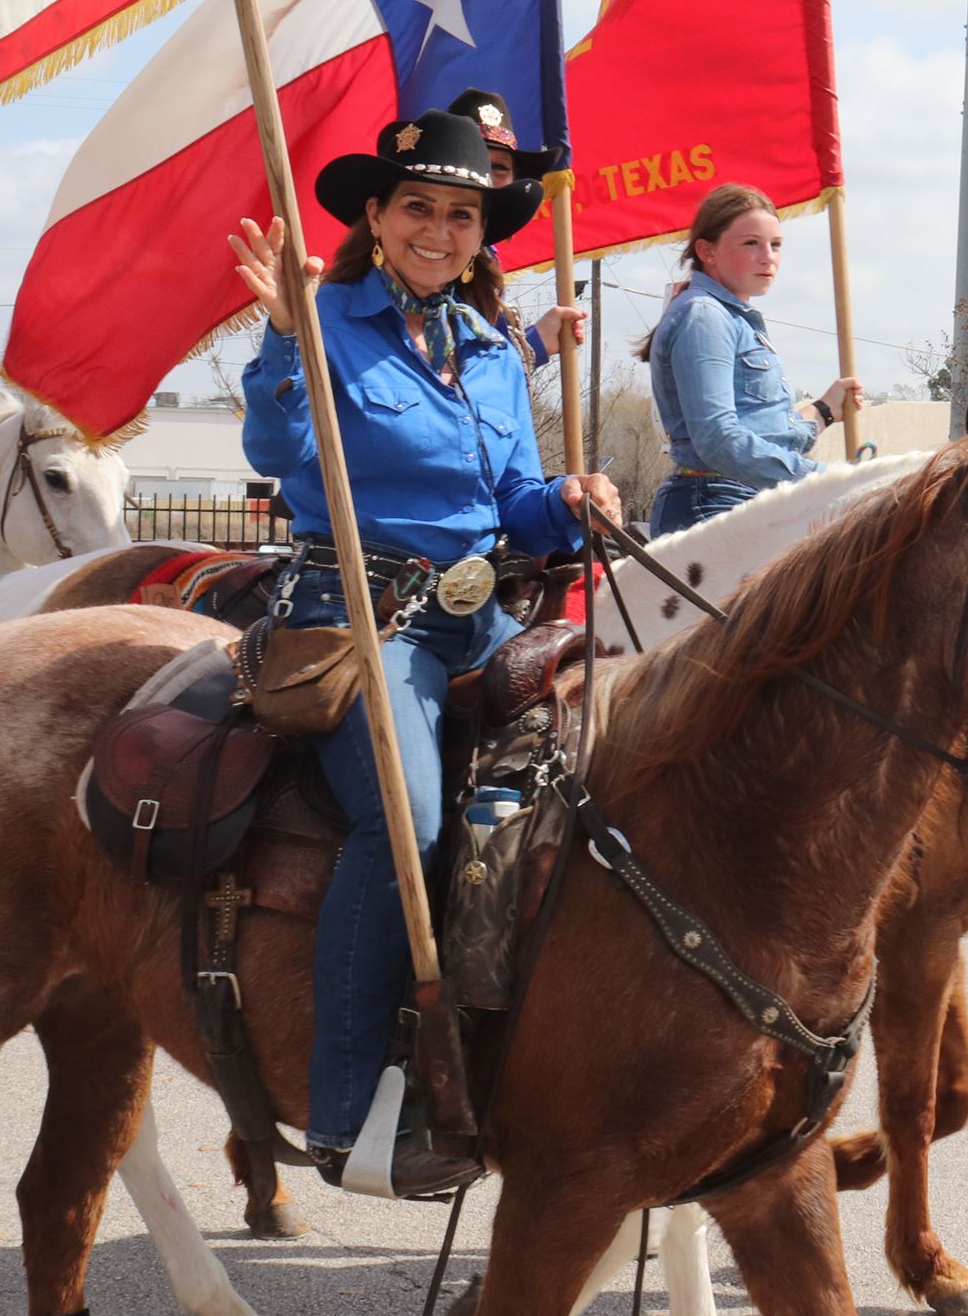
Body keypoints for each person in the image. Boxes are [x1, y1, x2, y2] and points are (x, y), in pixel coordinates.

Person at [230, 109, 620, 1191]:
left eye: (461, 213)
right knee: (404, 812)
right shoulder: (322, 319)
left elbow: (512, 507)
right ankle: (348, 1111)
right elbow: (277, 450)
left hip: (485, 613)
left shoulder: (492, 349)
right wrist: (280, 336)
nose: (440, 230)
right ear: (375, 215)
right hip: (363, 613)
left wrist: (571, 500)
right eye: (418, 208)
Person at [639, 184, 864, 537]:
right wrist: (825, 480)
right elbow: (717, 439)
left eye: (776, 245)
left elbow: (764, 433)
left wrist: (824, 410)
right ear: (707, 251)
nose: (768, 256)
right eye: (751, 243)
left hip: (742, 501)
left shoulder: (730, 318)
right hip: (715, 504)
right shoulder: (705, 316)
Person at [446, 88, 583, 370]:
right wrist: (532, 345)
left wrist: (535, 341)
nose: (484, 178)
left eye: (498, 167)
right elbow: (452, 378)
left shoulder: (486, 255)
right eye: (475, 162)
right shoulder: (433, 255)